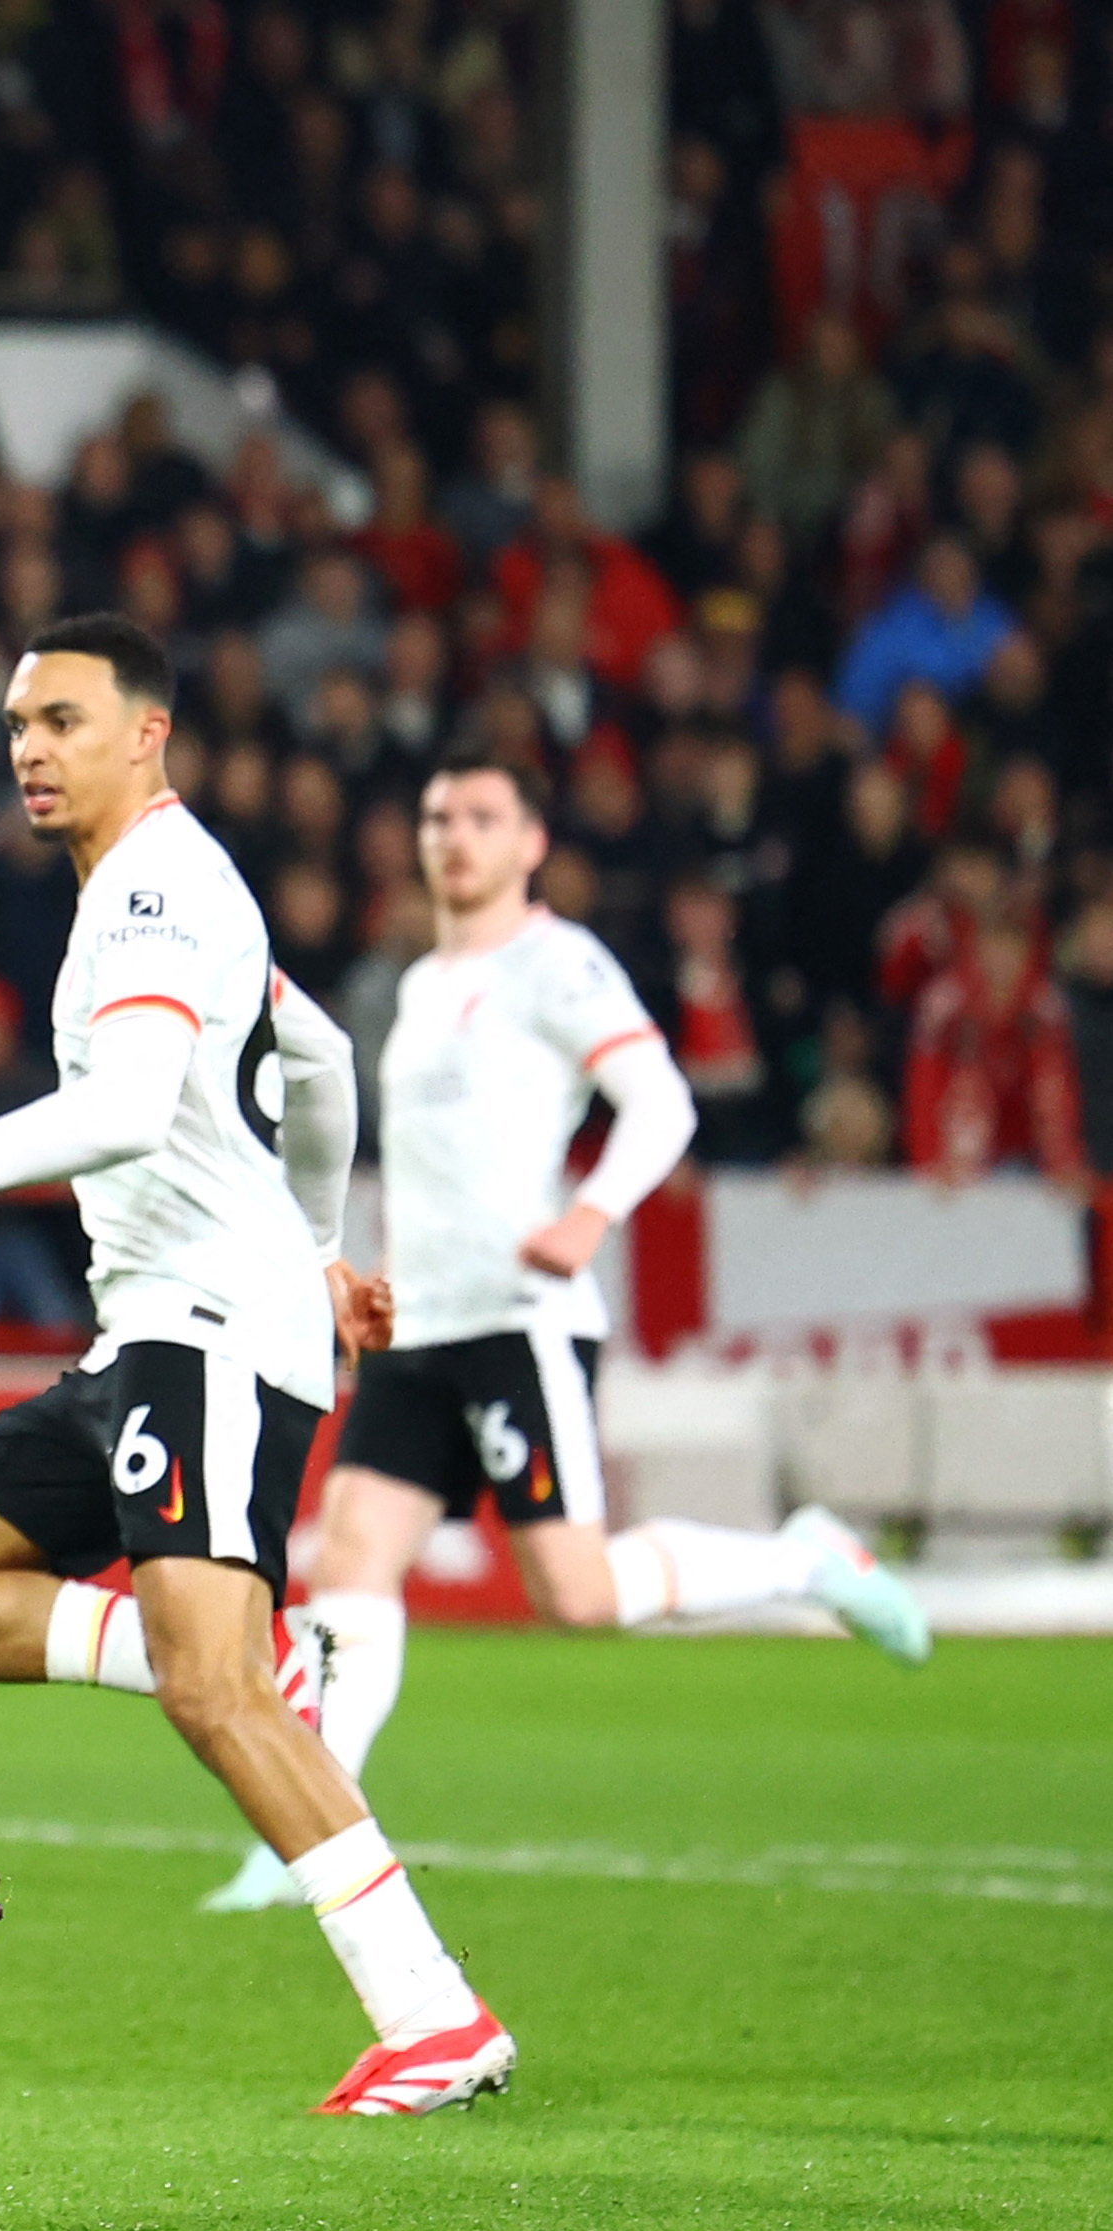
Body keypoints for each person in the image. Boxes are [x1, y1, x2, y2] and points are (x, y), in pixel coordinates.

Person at [0, 613, 510, 2119]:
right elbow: (319, 1063)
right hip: (157, 1335)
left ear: (146, 732)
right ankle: (262, 1663)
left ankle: (431, 2014)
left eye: (61, 720)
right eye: (15, 726)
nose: (29, 750)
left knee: (210, 1694)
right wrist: (318, 1245)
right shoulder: (153, 888)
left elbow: (120, 1113)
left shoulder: (155, 890)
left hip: (211, 1334)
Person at [205, 756, 927, 1914]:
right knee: (352, 1559)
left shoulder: (560, 962)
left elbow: (662, 1100)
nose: (455, 836)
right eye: (438, 816)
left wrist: (590, 1214)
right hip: (419, 1323)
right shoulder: (420, 982)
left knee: (576, 1591)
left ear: (531, 843)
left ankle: (808, 1560)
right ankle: (309, 1833)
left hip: (518, 1322)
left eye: (482, 817)